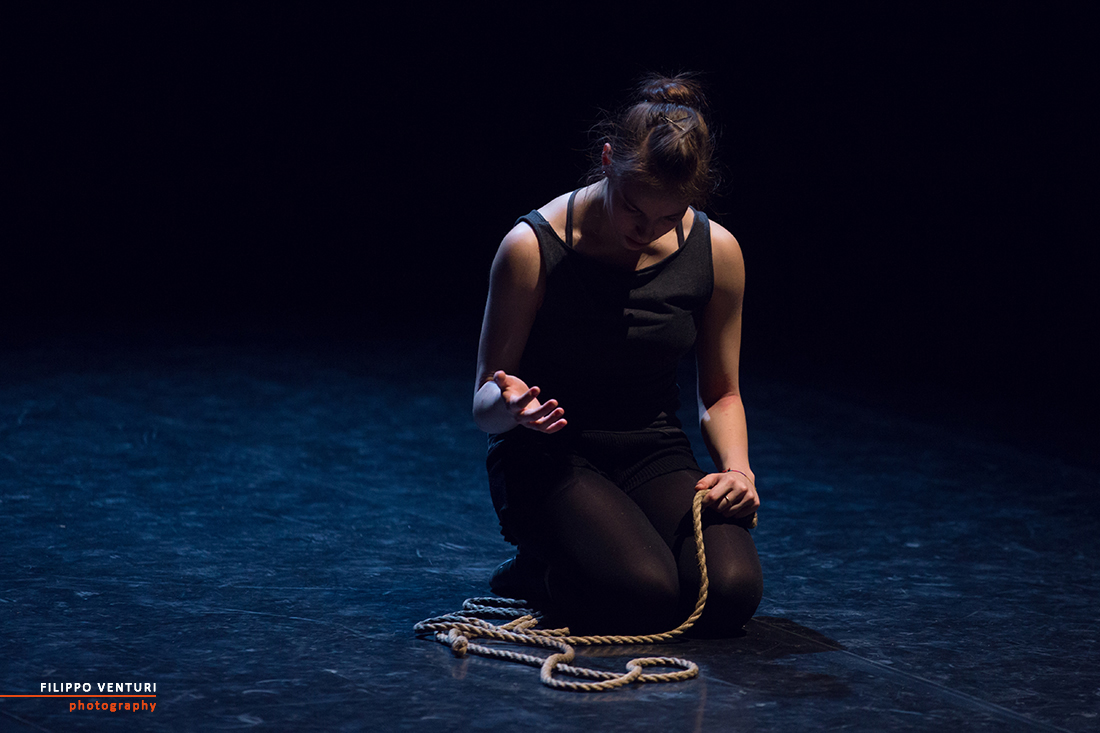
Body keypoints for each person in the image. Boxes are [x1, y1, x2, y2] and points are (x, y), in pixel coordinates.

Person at [472, 74, 762, 637]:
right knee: (643, 594)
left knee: (729, 592)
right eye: (633, 209)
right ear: (608, 161)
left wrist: (738, 469)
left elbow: (722, 392)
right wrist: (511, 407)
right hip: (549, 455)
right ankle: (540, 570)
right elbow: (484, 401)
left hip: (651, 448)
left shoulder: (718, 251)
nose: (646, 231)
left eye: (668, 217)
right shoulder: (532, 247)